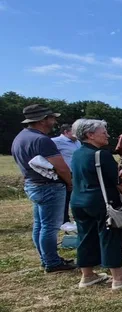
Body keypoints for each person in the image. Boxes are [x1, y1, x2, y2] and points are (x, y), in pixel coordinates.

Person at [69, 119, 122, 289]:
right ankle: (119, 278)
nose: (107, 135)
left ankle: (87, 276)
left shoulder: (77, 153)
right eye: (104, 132)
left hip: (78, 201)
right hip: (102, 202)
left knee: (85, 237)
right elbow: (118, 181)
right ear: (90, 135)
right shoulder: (101, 155)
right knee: (111, 237)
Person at [11, 104, 76, 273]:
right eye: (51, 118)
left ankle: (46, 258)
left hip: (33, 185)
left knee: (40, 225)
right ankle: (53, 263)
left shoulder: (20, 137)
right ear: (42, 120)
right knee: (50, 227)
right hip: (50, 187)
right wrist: (69, 182)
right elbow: (61, 168)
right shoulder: (42, 140)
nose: (54, 121)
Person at [52, 124, 81, 232]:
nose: (77, 134)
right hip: (65, 173)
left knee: (76, 197)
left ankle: (78, 219)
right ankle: (64, 220)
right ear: (66, 132)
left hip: (77, 173)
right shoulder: (55, 141)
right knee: (65, 198)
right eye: (74, 132)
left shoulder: (78, 142)